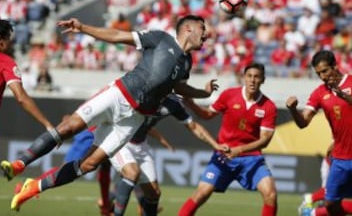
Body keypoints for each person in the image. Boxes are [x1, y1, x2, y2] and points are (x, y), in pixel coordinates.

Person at [1, 14, 218, 211]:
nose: (206, 34)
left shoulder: (186, 63)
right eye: (203, 27)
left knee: (88, 165)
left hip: (133, 120)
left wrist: (202, 92)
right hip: (118, 96)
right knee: (68, 128)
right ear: (188, 29)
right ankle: (19, 164)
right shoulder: (161, 38)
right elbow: (117, 35)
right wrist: (83, 27)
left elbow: (179, 87)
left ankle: (34, 187)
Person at [179, 63, 278, 216]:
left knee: (270, 194)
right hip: (223, 156)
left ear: (263, 80)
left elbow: (265, 140)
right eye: (249, 76)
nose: (252, 80)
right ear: (243, 78)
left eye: (257, 77)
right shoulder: (229, 95)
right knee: (201, 194)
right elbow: (206, 115)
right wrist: (190, 103)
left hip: (251, 159)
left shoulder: (268, 106)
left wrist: (239, 150)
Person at [110, 93, 228, 216]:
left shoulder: (173, 103)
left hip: (141, 145)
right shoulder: (144, 90)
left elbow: (193, 126)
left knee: (154, 193)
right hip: (121, 140)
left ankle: (107, 201)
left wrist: (215, 144)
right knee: (131, 174)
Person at [286, 50, 352, 216]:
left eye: (325, 71)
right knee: (330, 204)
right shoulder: (319, 93)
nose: (322, 76)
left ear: (335, 67)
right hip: (340, 158)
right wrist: (293, 110)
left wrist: (346, 97)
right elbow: (303, 123)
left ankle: (312, 213)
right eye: (318, 73)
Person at [0, 17, 53, 195]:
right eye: (9, 39)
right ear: (0, 40)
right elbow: (21, 97)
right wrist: (47, 124)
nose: (11, 43)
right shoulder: (5, 62)